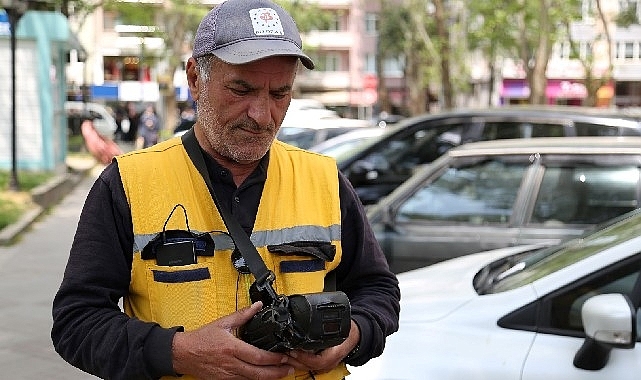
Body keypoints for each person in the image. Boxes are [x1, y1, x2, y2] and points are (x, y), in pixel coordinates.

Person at [51, 0, 400, 379]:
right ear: (195, 78)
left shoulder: (325, 179)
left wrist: (352, 336)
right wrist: (175, 352)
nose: (262, 115)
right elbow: (76, 322)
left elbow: (378, 290)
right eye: (241, 89)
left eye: (280, 93)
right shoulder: (127, 184)